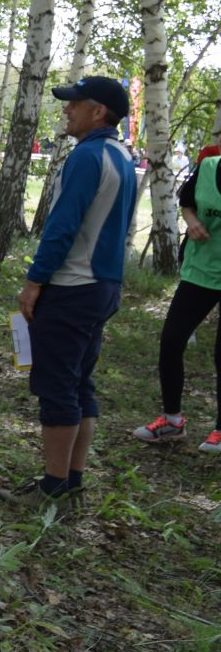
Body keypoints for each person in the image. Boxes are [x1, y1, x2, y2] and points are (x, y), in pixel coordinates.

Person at [1, 76, 139, 506]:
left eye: (75, 103)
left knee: (58, 384)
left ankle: (54, 485)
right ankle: (72, 479)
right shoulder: (122, 155)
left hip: (73, 285)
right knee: (81, 384)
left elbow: (62, 227)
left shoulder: (88, 156)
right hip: (103, 286)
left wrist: (34, 281)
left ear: (98, 111)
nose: (67, 109)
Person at [132, 132, 221, 453]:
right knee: (171, 341)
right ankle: (172, 421)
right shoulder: (208, 167)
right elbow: (186, 203)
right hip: (201, 270)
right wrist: (193, 221)